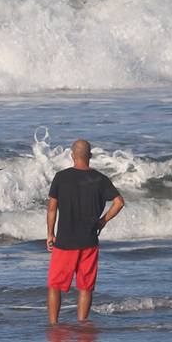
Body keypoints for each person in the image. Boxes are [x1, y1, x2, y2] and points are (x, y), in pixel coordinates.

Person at [46, 139, 125, 324]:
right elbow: (119, 202)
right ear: (90, 156)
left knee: (55, 285)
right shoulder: (100, 179)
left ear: (72, 155)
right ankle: (82, 324)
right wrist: (102, 221)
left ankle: (53, 325)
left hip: (65, 242)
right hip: (89, 241)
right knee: (85, 287)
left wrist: (50, 233)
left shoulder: (61, 177)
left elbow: (52, 208)